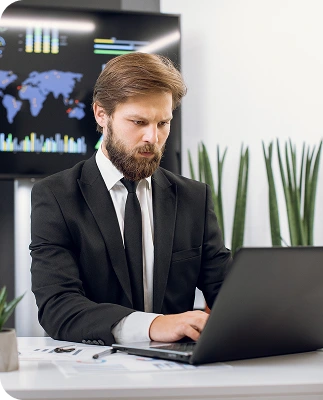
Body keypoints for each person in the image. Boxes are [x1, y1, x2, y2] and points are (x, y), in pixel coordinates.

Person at [30, 52, 231, 347]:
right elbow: (58, 307)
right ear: (102, 114)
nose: (153, 137)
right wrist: (153, 325)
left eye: (163, 123)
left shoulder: (193, 198)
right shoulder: (56, 197)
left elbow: (227, 290)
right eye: (138, 122)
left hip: (180, 376)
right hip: (94, 376)